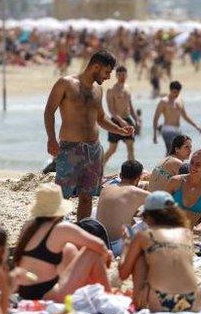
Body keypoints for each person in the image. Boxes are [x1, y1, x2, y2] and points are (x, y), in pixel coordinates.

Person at [44, 50, 134, 220]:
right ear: (96, 66)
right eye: (107, 72)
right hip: (70, 149)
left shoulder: (98, 90)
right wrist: (51, 138)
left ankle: (82, 228)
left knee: (87, 198)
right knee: (61, 197)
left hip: (94, 150)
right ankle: (52, 231)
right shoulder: (65, 83)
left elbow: (101, 118)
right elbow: (49, 111)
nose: (108, 76)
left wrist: (120, 130)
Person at [13, 183, 113, 300]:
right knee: (92, 252)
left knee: (68, 249)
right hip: (46, 295)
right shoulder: (61, 228)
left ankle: (102, 293)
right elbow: (99, 245)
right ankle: (108, 295)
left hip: (24, 291)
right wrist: (108, 256)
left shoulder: (28, 226)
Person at [118, 192, 201, 312]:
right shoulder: (187, 234)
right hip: (194, 300)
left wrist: (126, 245)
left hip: (160, 301)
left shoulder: (145, 236)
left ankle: (138, 302)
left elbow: (123, 274)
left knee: (141, 258)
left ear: (149, 216)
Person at [161, 150, 201, 248]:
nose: (193, 167)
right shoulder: (176, 181)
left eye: (198, 165)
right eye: (191, 163)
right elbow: (159, 208)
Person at [95, 160, 150, 257]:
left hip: (99, 239)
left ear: (120, 175)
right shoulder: (136, 192)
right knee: (148, 221)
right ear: (138, 178)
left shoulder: (106, 188)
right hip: (117, 247)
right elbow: (163, 204)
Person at [103, 65, 141, 165]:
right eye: (119, 74)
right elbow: (111, 110)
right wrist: (120, 121)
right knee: (112, 149)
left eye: (123, 74)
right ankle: (99, 168)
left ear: (126, 75)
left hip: (127, 119)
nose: (121, 76)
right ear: (116, 75)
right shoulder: (111, 90)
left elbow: (130, 105)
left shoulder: (128, 88)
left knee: (130, 147)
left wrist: (136, 119)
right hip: (115, 121)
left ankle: (132, 171)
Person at [152, 81, 201, 154]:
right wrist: (155, 135)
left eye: (178, 92)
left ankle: (168, 165)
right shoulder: (163, 102)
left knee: (178, 153)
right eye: (175, 92)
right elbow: (156, 118)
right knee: (171, 151)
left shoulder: (180, 101)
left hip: (178, 130)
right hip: (167, 129)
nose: (177, 94)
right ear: (170, 90)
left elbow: (185, 116)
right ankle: (166, 165)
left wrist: (196, 126)